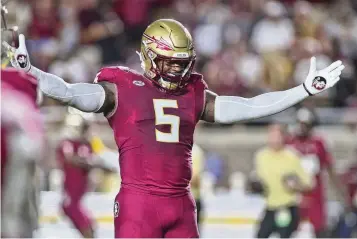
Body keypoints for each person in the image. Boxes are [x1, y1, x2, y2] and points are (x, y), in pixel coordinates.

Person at [3, 18, 345, 238]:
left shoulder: (194, 94)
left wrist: (303, 91)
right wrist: (33, 73)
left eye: (182, 65)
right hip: (139, 203)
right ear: (149, 57)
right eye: (168, 63)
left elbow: (249, 107)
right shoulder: (120, 89)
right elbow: (68, 92)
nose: (176, 73)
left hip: (181, 203)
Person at [286, 107, 350, 237]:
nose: (301, 127)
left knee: (319, 229)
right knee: (289, 229)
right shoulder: (289, 142)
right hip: (292, 194)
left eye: (305, 124)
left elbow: (330, 168)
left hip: (315, 194)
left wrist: (342, 193)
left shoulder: (319, 142)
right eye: (299, 123)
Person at [1, 70, 44, 237]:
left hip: (17, 148)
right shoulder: (22, 82)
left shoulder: (19, 83)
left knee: (13, 216)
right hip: (22, 147)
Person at [57, 113, 114, 238]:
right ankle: (88, 232)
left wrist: (97, 165)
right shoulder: (69, 143)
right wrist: (93, 163)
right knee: (70, 209)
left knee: (77, 212)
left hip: (79, 187)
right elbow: (70, 159)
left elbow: (90, 160)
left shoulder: (86, 145)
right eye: (86, 127)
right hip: (71, 186)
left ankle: (89, 233)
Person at [252, 124, 314, 238]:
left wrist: (295, 186)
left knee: (284, 235)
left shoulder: (292, 156)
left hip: (286, 207)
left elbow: (309, 184)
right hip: (270, 206)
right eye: (271, 136)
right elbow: (257, 179)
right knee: (260, 235)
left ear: (283, 137)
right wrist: (256, 186)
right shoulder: (261, 156)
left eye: (277, 136)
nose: (274, 140)